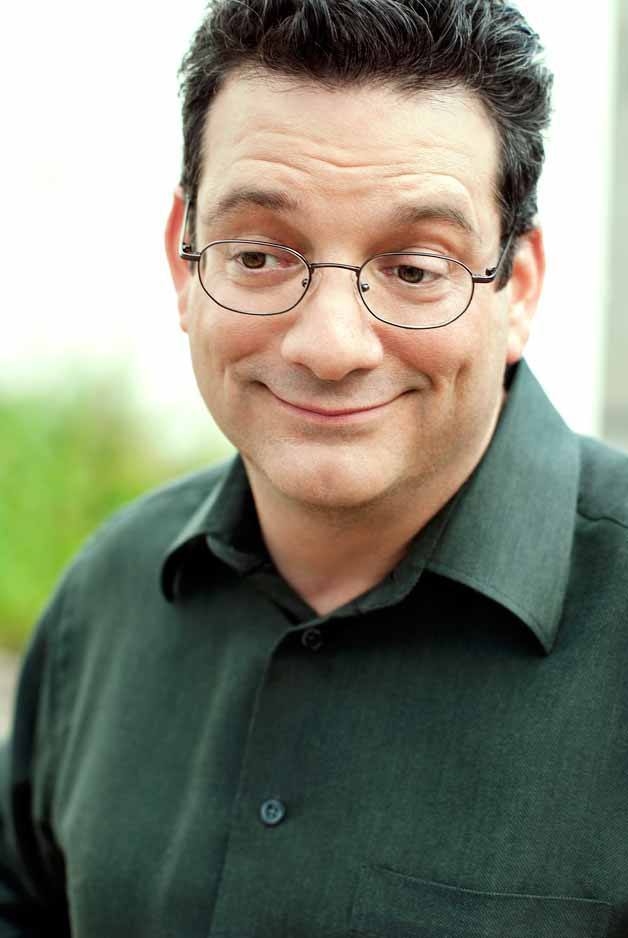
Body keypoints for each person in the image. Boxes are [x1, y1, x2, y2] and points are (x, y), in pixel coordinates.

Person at [2, 0, 627, 935]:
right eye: (259, 254)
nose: (331, 346)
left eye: (415, 269)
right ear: (185, 264)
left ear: (519, 289)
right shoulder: (109, 594)